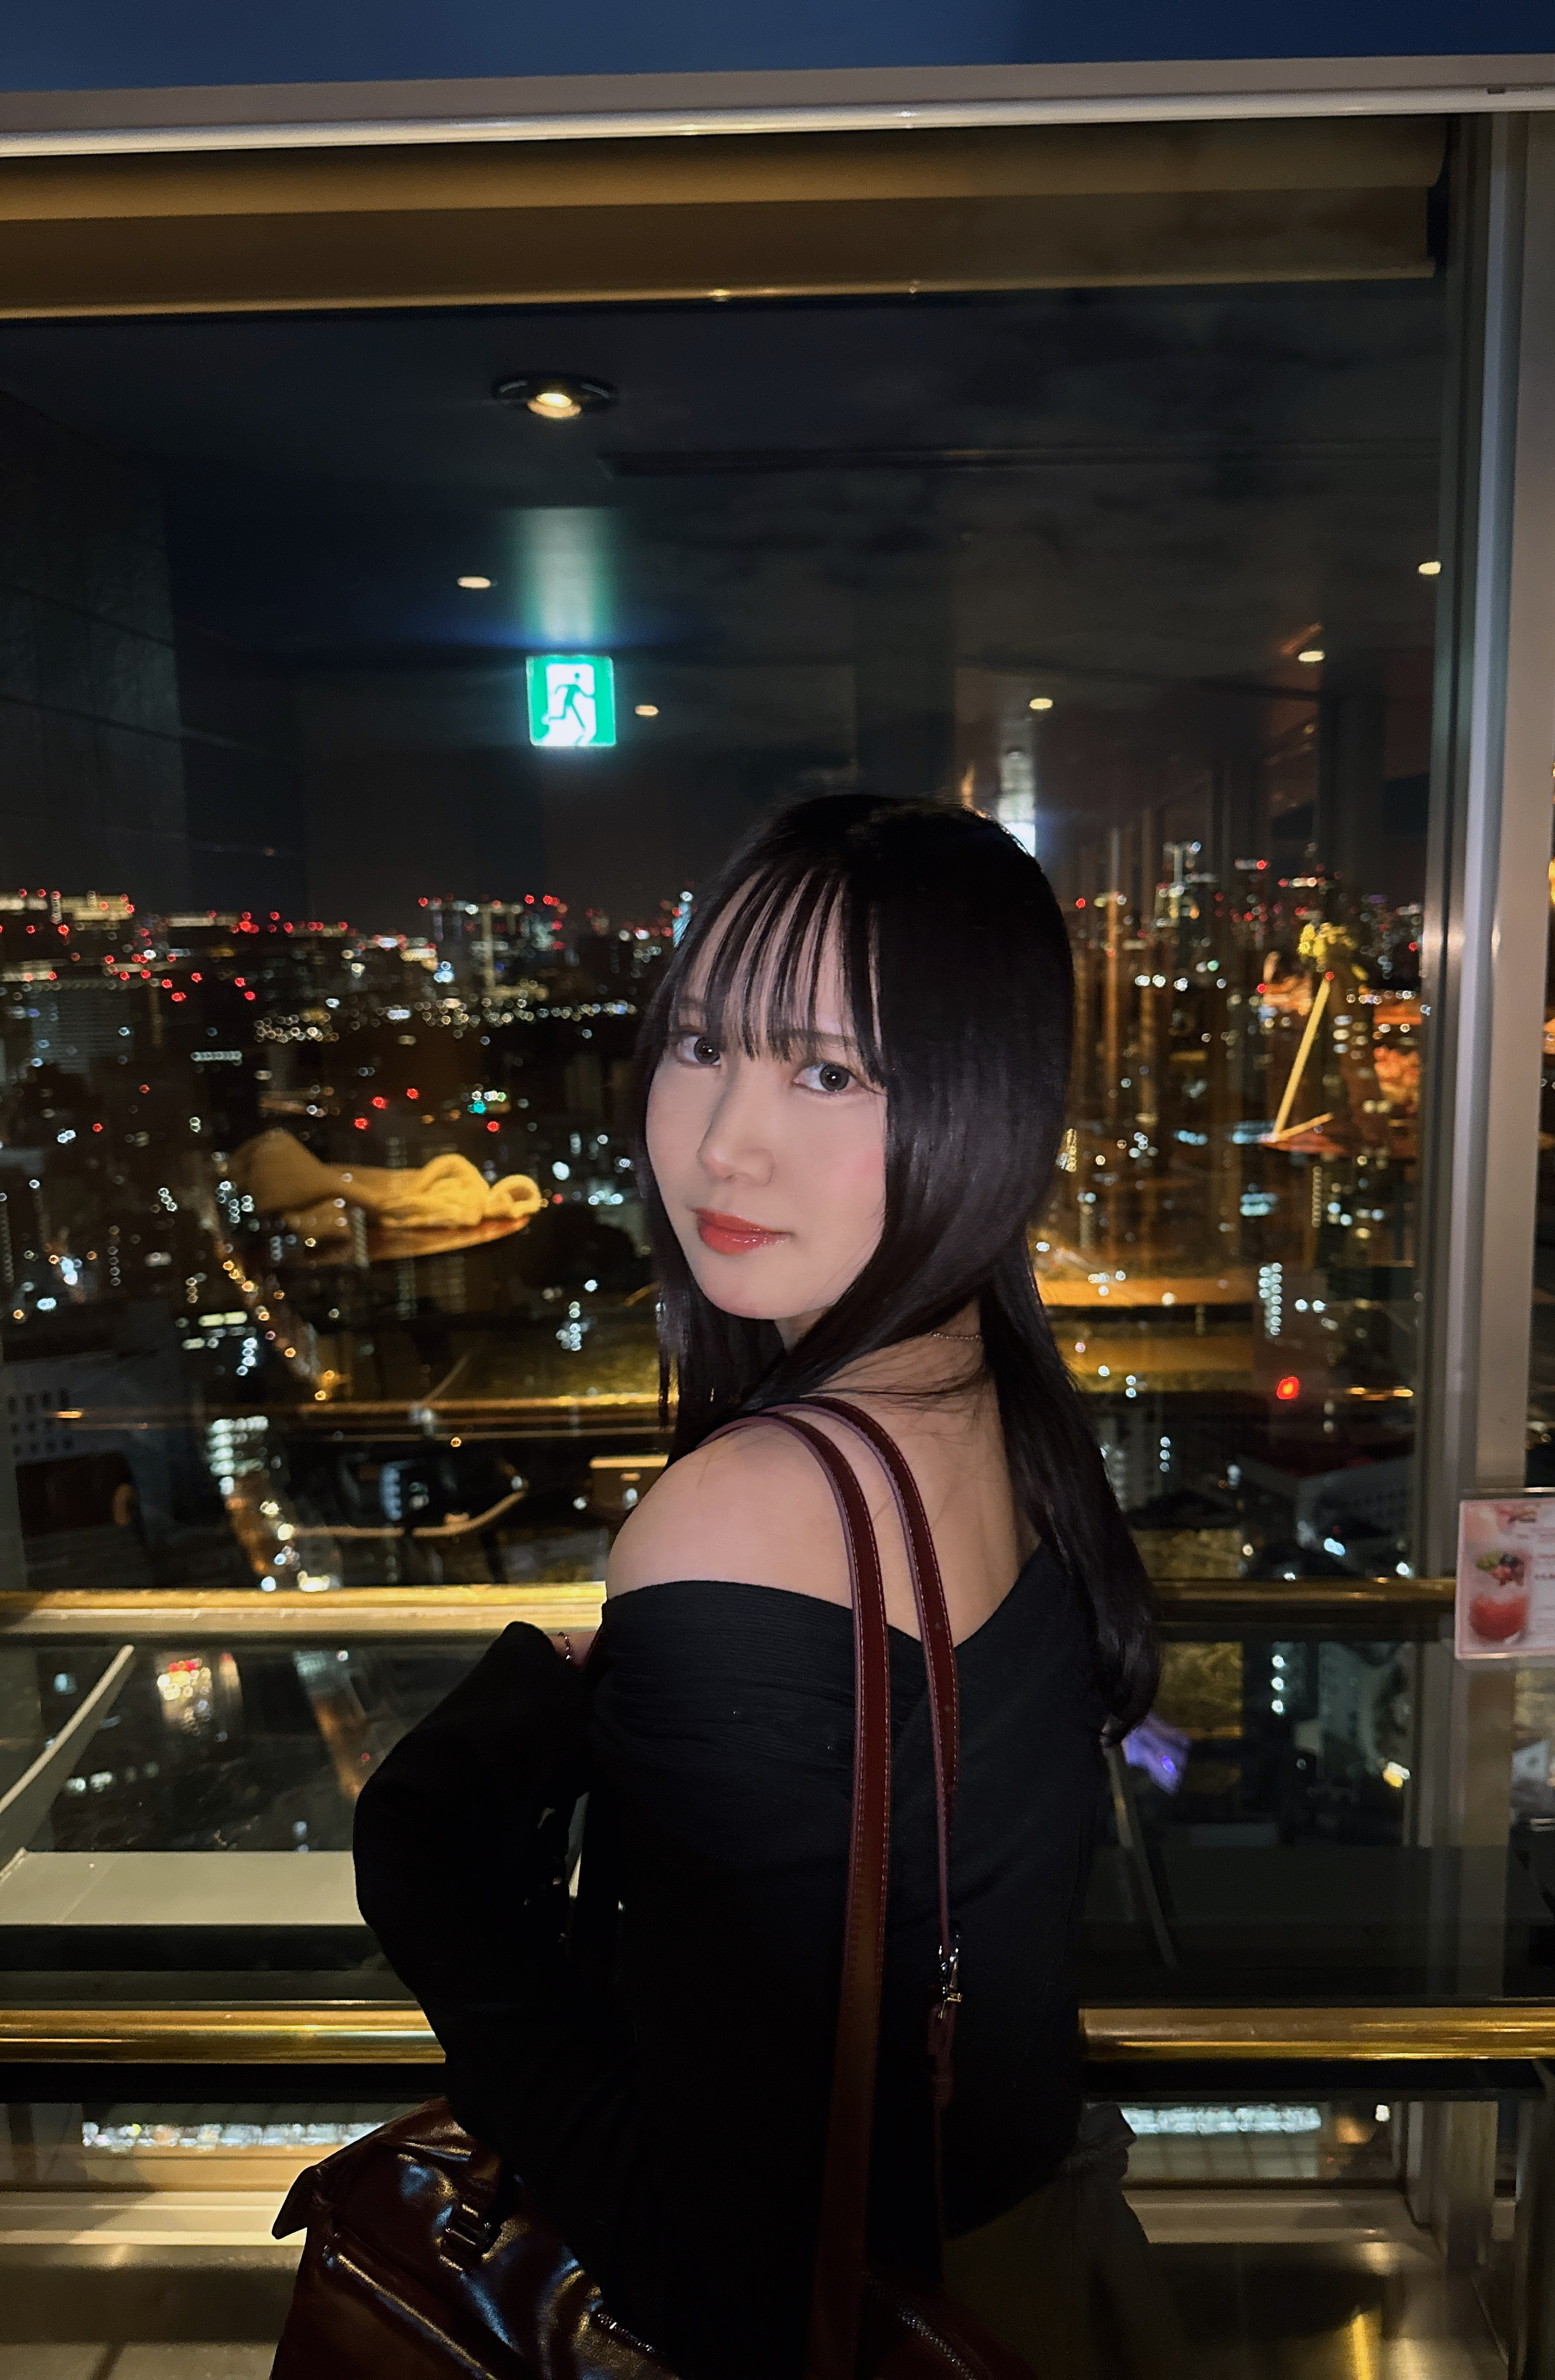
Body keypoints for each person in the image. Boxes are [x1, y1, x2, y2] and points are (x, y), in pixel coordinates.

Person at [353, 793, 1173, 2378]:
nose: (723, 1140)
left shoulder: (746, 1515)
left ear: (984, 1106)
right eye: (701, 1043)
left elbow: (716, 2274)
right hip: (1030, 2280)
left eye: (827, 1070)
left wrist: (421, 1846)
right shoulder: (996, 1407)